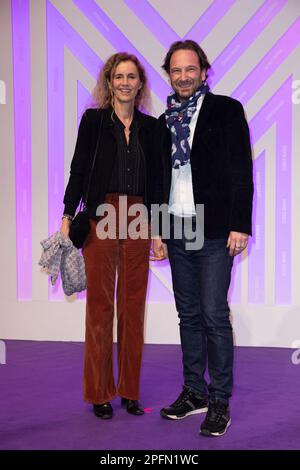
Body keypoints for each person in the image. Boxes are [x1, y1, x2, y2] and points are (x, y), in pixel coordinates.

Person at [153, 40, 253, 436]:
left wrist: (240, 224)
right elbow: (161, 179)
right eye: (176, 71)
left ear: (203, 71)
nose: (183, 77)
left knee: (213, 314)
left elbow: (240, 169)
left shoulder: (226, 110)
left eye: (189, 69)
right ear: (170, 75)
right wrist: (159, 230)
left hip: (214, 228)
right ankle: (194, 391)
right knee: (188, 314)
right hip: (177, 227)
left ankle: (219, 400)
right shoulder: (165, 119)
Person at [60, 53, 157, 419]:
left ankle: (130, 391)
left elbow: (158, 181)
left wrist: (159, 229)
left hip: (139, 218)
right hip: (101, 214)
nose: (125, 82)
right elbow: (78, 168)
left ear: (140, 84)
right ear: (109, 81)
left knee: (133, 308)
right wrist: (68, 213)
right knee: (100, 308)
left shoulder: (152, 128)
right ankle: (100, 392)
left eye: (132, 76)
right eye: (119, 76)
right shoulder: (94, 121)